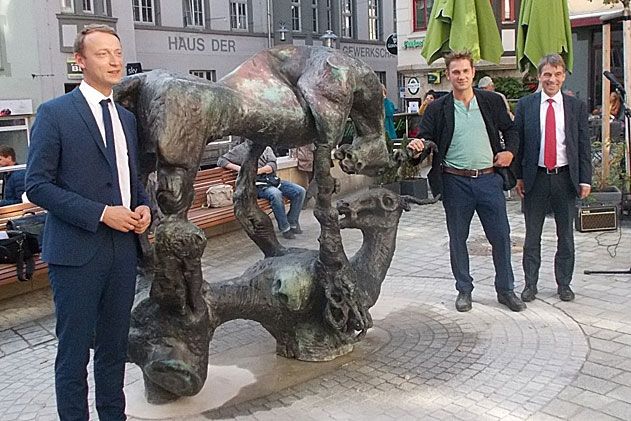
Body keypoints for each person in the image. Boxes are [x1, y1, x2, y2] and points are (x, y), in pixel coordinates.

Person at [25, 24, 151, 420]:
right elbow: (37, 186)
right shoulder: (54, 114)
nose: (114, 60)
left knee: (114, 348)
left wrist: (143, 205)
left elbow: (130, 179)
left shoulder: (127, 119)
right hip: (77, 253)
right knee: (74, 352)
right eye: (102, 54)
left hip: (122, 251)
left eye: (117, 52)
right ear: (80, 62)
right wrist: (100, 213)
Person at [407, 51, 526, 313]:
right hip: (455, 182)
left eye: (465, 71)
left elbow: (512, 129)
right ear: (448, 75)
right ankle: (464, 289)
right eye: (455, 72)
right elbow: (425, 140)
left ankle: (505, 289)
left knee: (501, 237)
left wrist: (510, 153)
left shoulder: (492, 101)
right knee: (458, 239)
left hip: (489, 179)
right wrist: (417, 147)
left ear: (473, 73)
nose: (461, 76)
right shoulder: (438, 108)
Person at [514, 54, 591, 303]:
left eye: (557, 74)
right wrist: (517, 177)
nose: (552, 79)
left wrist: (585, 179)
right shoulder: (526, 105)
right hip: (535, 178)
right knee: (532, 236)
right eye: (547, 74)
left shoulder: (575, 107)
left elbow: (583, 145)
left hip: (564, 178)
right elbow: (519, 145)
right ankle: (530, 284)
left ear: (564, 76)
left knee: (565, 236)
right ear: (539, 76)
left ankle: (564, 284)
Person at [218, 141, 305, 239]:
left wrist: (259, 170)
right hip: (256, 185)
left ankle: (292, 222)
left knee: (300, 191)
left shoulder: (266, 147)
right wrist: (241, 169)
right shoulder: (241, 149)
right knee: (276, 194)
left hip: (272, 180)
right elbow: (221, 160)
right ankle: (285, 228)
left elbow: (272, 165)